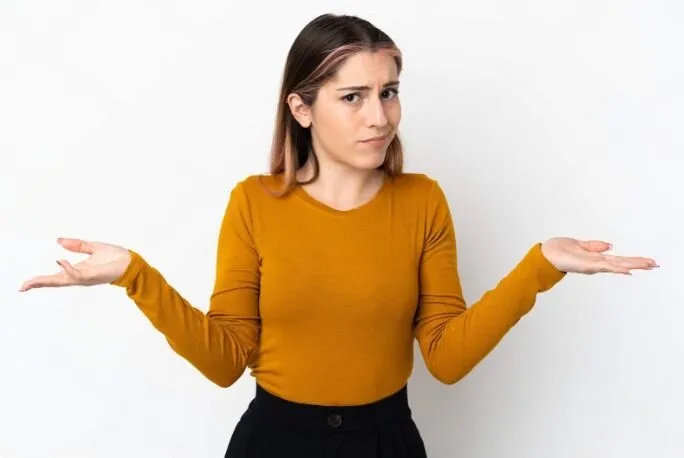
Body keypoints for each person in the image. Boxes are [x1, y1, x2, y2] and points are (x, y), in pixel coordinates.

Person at [19, 13, 657, 458]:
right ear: (302, 108)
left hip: (387, 442)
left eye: (389, 92)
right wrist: (135, 275)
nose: (379, 116)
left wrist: (540, 265)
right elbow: (224, 361)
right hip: (274, 443)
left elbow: (447, 357)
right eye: (352, 97)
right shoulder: (253, 203)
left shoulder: (423, 202)